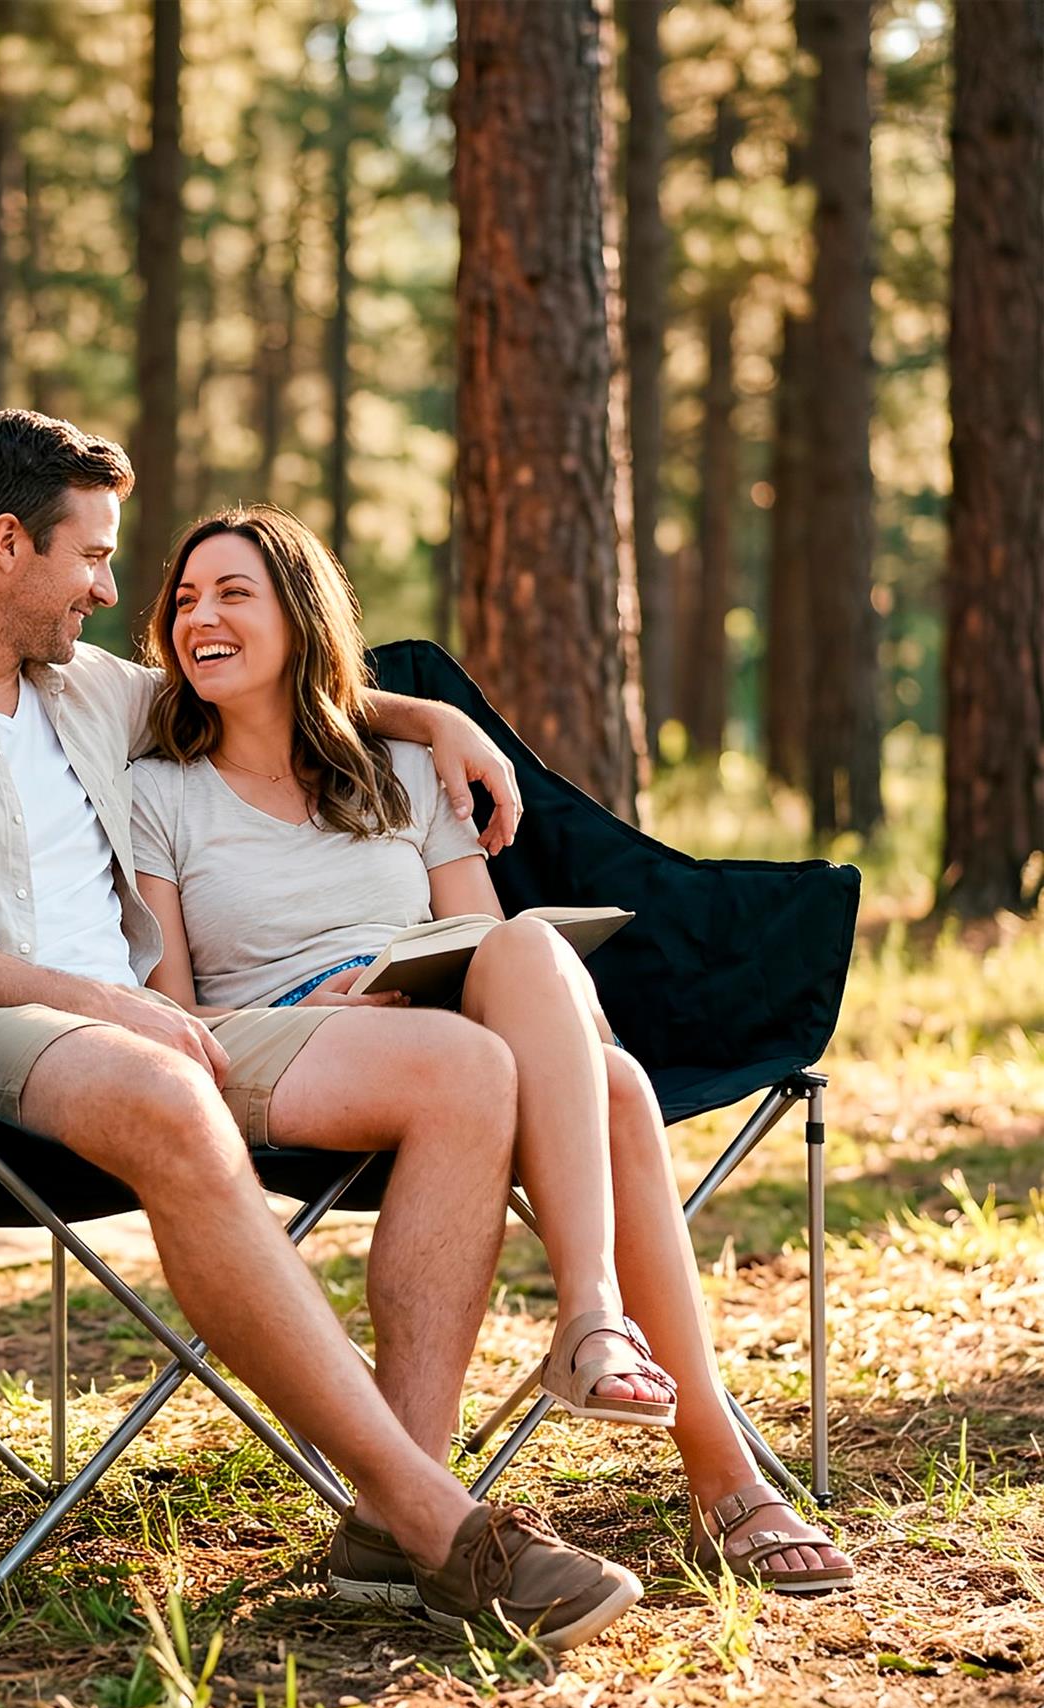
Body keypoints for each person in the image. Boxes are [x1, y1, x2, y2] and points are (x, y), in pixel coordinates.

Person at [0, 408, 645, 1649]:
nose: (113, 591)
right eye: (94, 558)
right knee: (164, 1085)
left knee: (465, 1065)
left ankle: (391, 1529)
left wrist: (432, 719)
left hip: (171, 1031)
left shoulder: (85, 692)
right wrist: (102, 1000)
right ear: (8, 544)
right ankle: (443, 1526)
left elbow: (265, 680)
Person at [129, 504, 854, 1598]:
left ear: (300, 616)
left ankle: (596, 1326)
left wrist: (410, 980)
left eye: (235, 593)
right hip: (271, 1046)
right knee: (601, 1082)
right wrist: (336, 1010)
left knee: (574, 1024)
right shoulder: (157, 789)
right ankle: (719, 1469)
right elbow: (175, 1012)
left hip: (437, 1032)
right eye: (184, 599)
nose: (201, 618)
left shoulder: (404, 772)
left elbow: (472, 941)